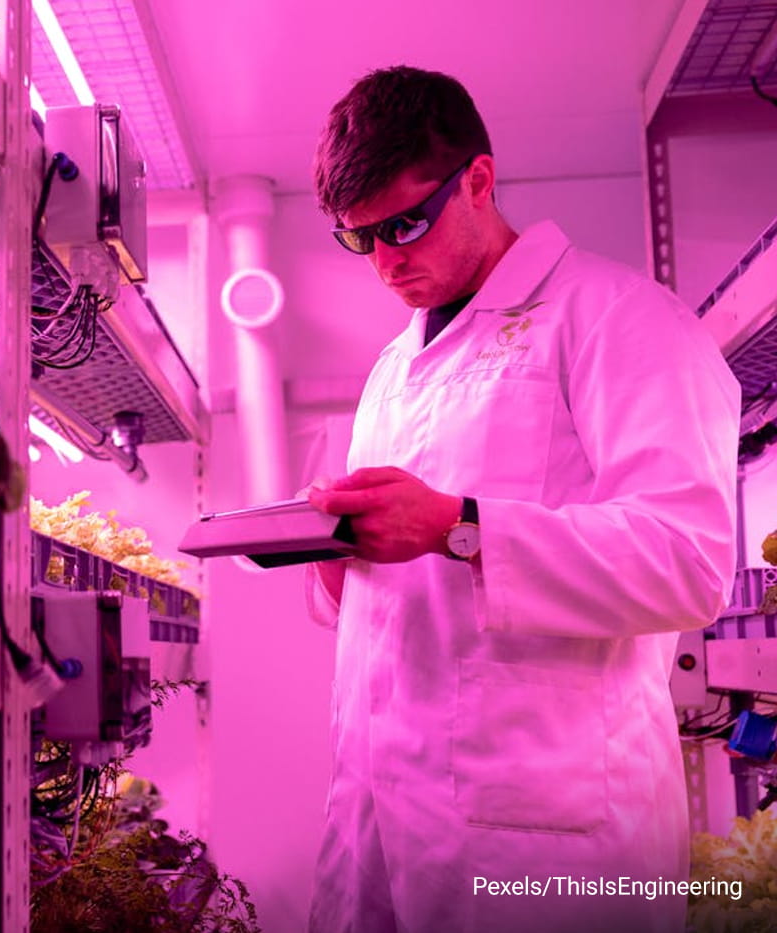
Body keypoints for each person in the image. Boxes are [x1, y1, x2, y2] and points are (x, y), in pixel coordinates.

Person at [301, 66, 739, 933]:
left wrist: (459, 527)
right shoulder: (394, 370)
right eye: (363, 241)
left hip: (545, 837)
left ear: (479, 180)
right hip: (377, 812)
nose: (388, 261)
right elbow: (394, 601)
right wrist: (332, 555)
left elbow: (689, 565)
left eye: (406, 225)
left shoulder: (620, 320)